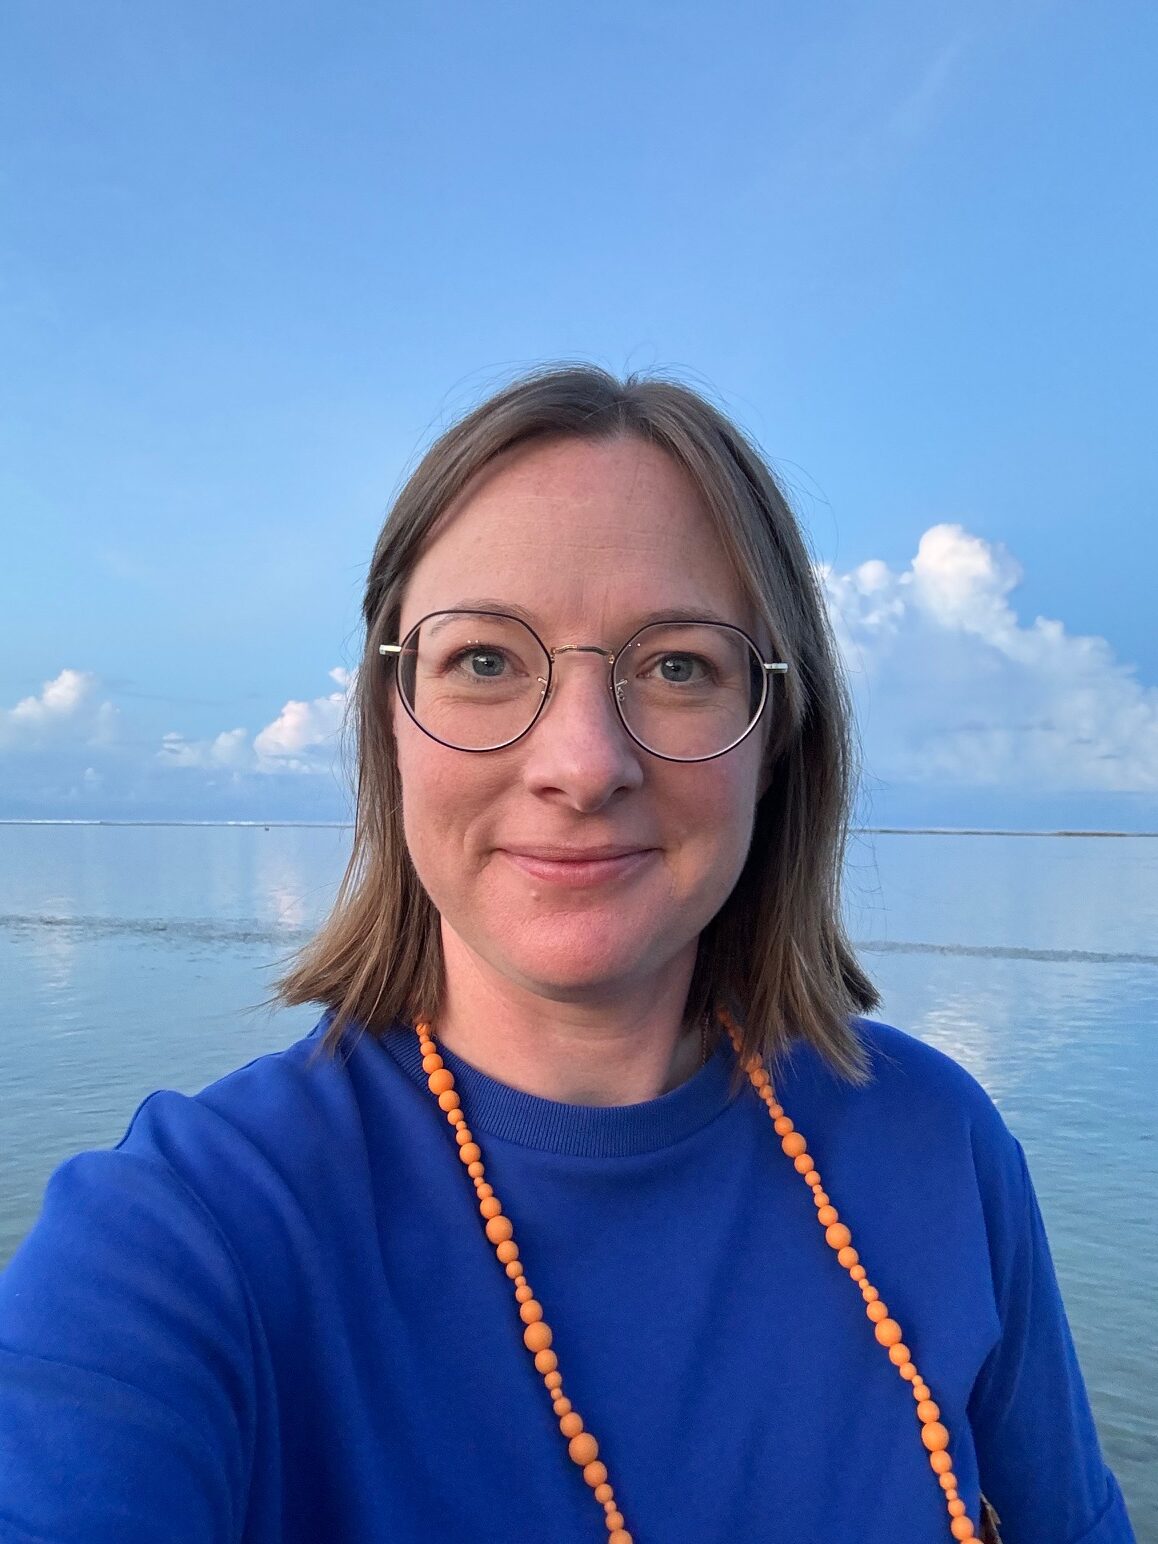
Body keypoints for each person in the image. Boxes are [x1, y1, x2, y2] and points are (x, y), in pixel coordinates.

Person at [0, 367, 1134, 1544]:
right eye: (486, 659)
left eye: (679, 665)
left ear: (776, 736)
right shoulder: (179, 1238)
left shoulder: (935, 1141)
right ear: (390, 718)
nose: (584, 764)